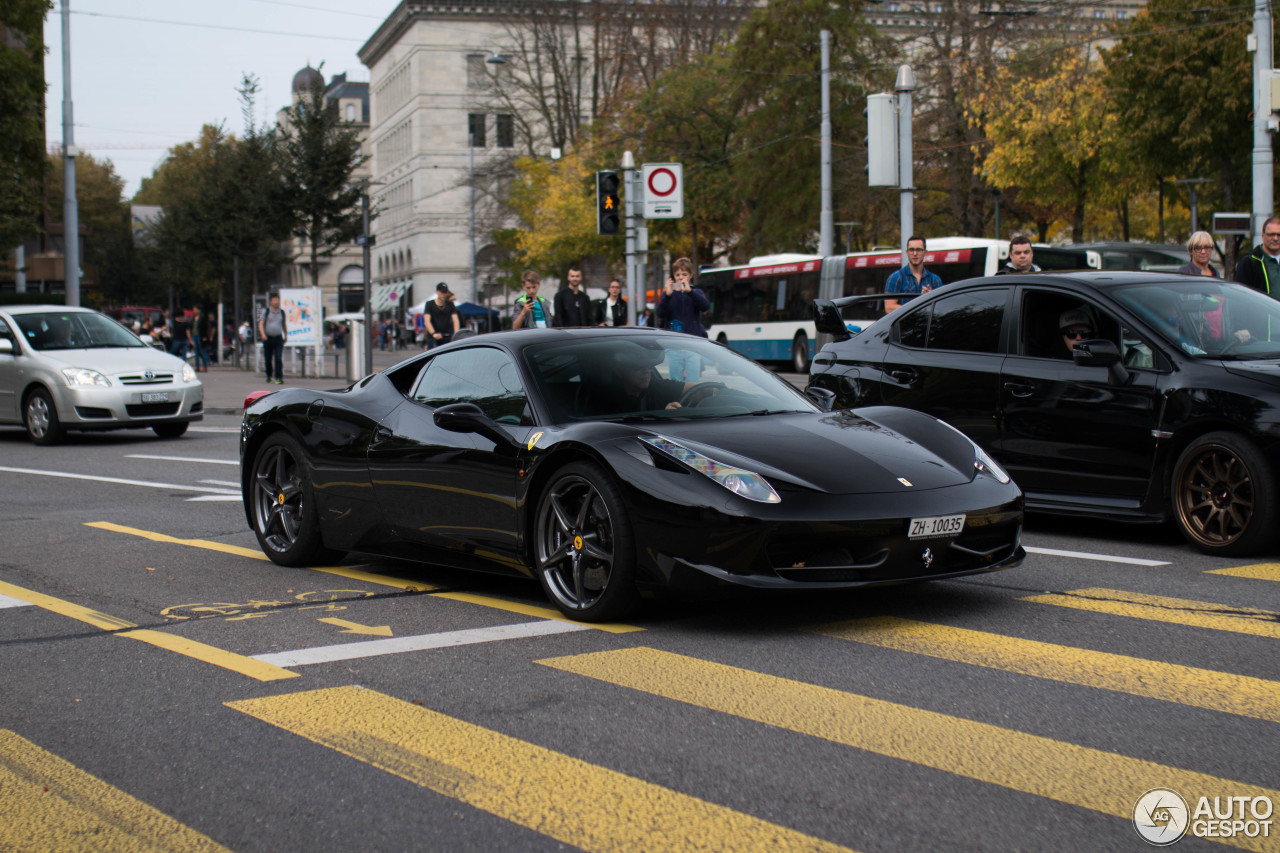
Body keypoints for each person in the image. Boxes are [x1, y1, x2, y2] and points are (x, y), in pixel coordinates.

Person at [581, 342, 707, 415]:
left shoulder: (656, 386)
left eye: (649, 366)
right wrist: (663, 416)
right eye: (637, 366)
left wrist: (720, 391)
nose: (646, 370)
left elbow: (698, 390)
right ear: (619, 370)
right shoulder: (602, 399)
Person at [657, 257, 711, 381]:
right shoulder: (667, 295)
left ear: (690, 275)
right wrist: (668, 295)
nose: (681, 277)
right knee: (676, 381)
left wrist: (690, 292)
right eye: (677, 274)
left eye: (684, 274)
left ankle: (691, 400)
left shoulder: (696, 292)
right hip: (673, 343)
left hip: (693, 343)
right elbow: (660, 313)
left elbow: (705, 307)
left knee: (693, 380)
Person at [884, 235, 942, 311]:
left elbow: (941, 308)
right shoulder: (896, 277)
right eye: (911, 250)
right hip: (905, 323)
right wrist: (916, 309)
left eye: (919, 250)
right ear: (907, 252)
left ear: (925, 252)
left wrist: (931, 297)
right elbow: (889, 308)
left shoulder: (935, 280)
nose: (915, 253)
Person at [1234, 216, 1280, 297]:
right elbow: (1240, 296)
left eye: (1279, 234)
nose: (1275, 238)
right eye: (1271, 234)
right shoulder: (1249, 262)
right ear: (1263, 235)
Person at [258, 292, 288, 384]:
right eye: (274, 300)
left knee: (278, 358)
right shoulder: (266, 312)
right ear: (271, 302)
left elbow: (283, 324)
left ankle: (278, 377)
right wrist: (263, 334)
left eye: (277, 300)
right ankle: (269, 375)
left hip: (278, 338)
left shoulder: (281, 312)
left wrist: (285, 335)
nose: (276, 302)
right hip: (268, 338)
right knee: (268, 358)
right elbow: (261, 323)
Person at [553, 262, 593, 327]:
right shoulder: (560, 296)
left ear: (581, 278)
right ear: (568, 277)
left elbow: (590, 318)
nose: (575, 279)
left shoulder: (585, 298)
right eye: (572, 276)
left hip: (584, 333)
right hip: (567, 334)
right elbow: (558, 318)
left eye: (577, 276)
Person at [423, 282, 460, 348]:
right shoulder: (430, 304)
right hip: (434, 337)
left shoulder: (450, 304)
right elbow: (427, 321)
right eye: (442, 292)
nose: (444, 294)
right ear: (437, 292)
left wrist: (456, 334)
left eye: (445, 292)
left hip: (447, 336)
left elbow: (456, 320)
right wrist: (433, 333)